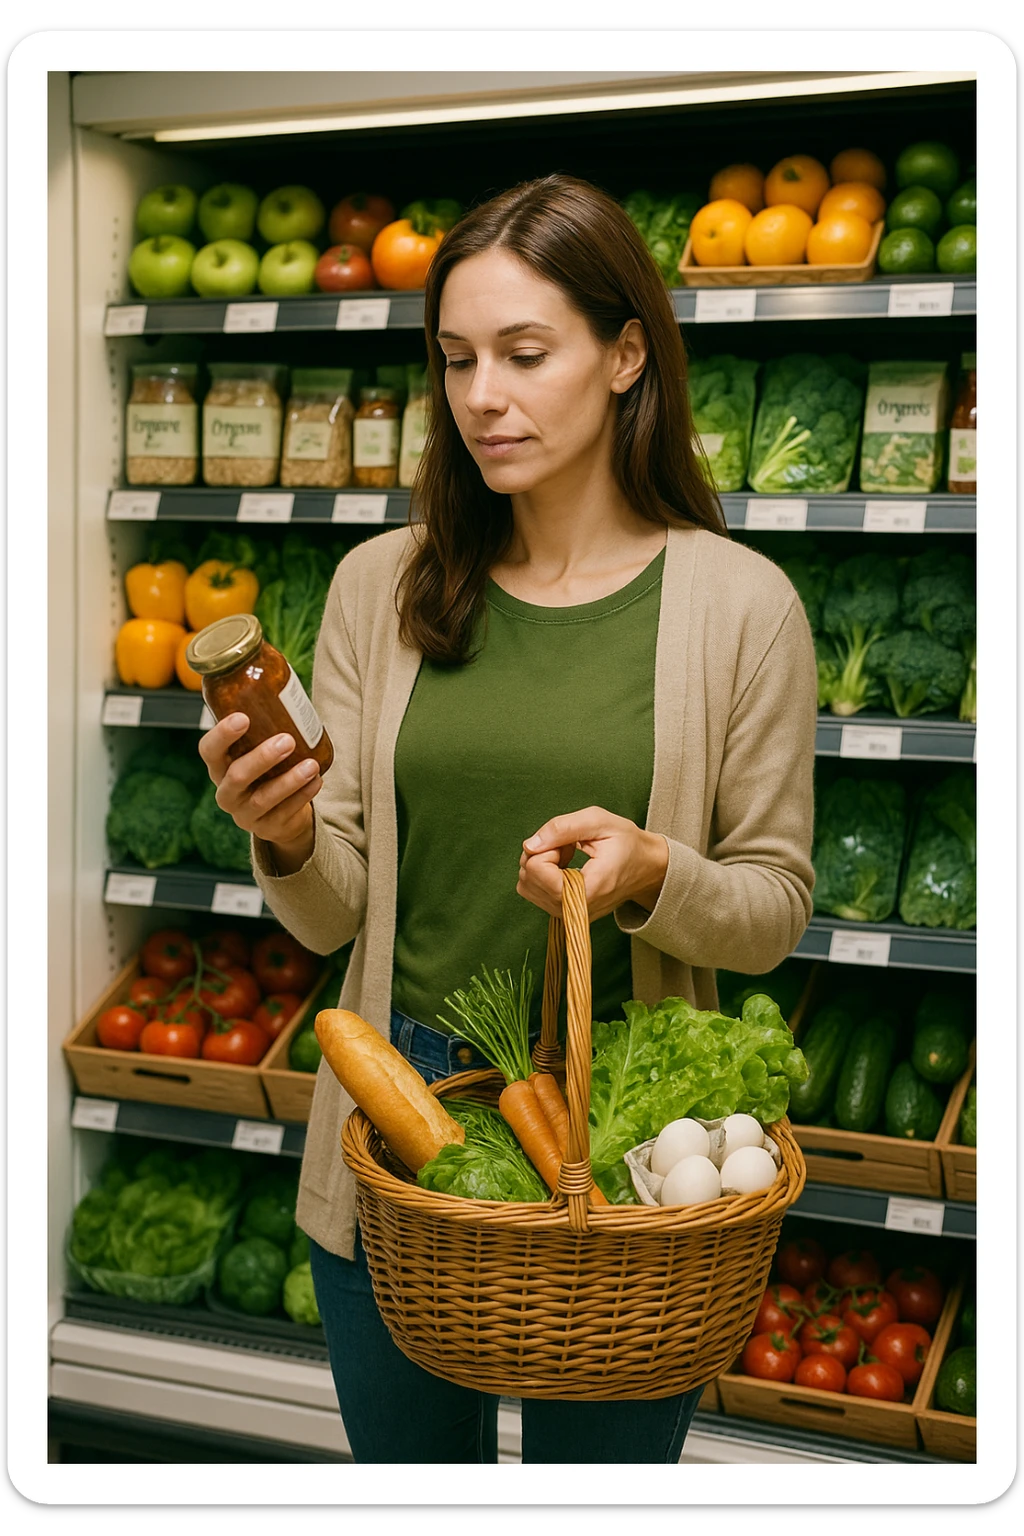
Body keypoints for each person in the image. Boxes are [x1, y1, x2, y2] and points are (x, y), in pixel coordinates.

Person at [198, 173, 818, 1465]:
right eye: (459, 359)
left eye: (526, 354)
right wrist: (290, 835)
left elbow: (770, 912)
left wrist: (653, 873)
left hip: (628, 1132)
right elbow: (340, 909)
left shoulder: (743, 606)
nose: (483, 395)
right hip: (401, 1112)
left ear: (626, 352)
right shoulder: (385, 584)